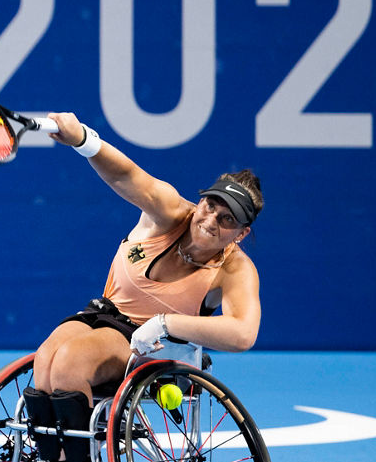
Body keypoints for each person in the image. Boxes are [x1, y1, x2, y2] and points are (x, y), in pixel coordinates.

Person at [22, 113, 263, 462]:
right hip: (102, 314)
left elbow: (243, 333)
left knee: (69, 366)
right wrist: (82, 139)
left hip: (157, 349)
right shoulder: (169, 210)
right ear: (202, 199)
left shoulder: (236, 269)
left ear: (241, 233)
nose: (211, 221)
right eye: (211, 206)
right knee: (45, 361)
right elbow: (126, 174)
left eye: (228, 220)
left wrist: (166, 323)